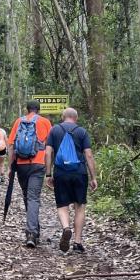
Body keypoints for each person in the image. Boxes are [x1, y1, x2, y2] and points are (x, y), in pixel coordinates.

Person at [44, 107, 98, 253]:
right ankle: (77, 242)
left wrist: (48, 174)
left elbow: (48, 153)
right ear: (76, 118)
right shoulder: (82, 131)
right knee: (79, 206)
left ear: (63, 117)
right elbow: (89, 155)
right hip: (80, 173)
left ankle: (66, 228)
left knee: (62, 205)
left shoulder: (54, 130)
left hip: (61, 173)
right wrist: (93, 177)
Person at [6, 100, 52, 248]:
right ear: (38, 109)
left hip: (21, 164)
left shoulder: (19, 121)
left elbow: (11, 145)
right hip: (38, 164)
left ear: (27, 109)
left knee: (27, 196)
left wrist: (9, 167)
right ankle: (32, 232)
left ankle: (33, 229)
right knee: (33, 197)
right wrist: (50, 168)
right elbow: (50, 146)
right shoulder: (45, 122)